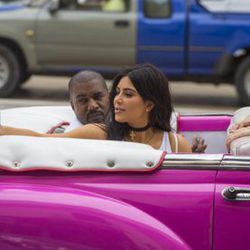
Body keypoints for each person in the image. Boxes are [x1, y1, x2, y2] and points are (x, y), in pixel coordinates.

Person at [0, 64, 191, 152]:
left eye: (128, 94)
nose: (117, 99)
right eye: (117, 92)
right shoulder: (100, 133)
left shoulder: (177, 144)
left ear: (149, 104)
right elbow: (46, 140)